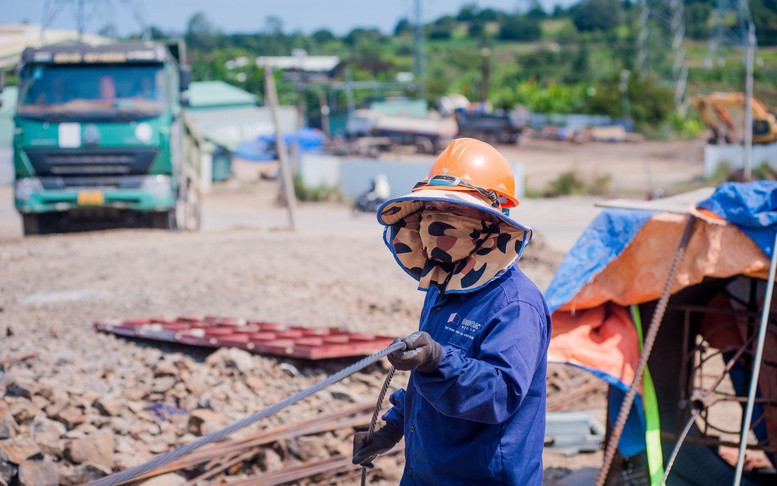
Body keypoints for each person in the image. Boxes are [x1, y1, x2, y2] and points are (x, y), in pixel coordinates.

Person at [352, 138, 551, 485]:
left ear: (491, 222)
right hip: (425, 473)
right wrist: (394, 426)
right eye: (432, 211)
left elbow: (500, 394)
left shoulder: (515, 304)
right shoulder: (445, 287)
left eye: (456, 212)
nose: (437, 223)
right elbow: (426, 382)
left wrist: (438, 360)